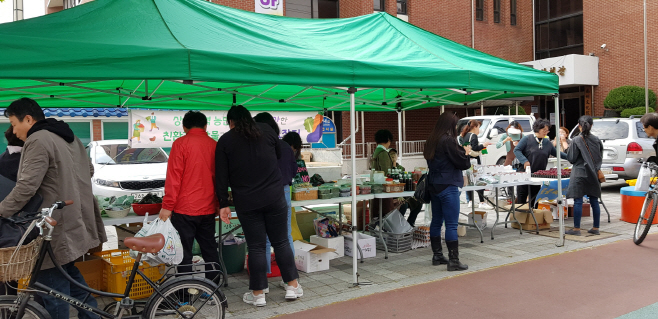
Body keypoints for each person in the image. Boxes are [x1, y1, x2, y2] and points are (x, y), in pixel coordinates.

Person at [0, 98, 106, 319]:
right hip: (76, 219)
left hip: (55, 227)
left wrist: (1, 210)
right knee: (69, 275)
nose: (13, 130)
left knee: (52, 289)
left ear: (28, 119)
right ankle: (93, 316)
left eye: (13, 123)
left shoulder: (37, 139)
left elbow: (26, 187)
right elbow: (89, 170)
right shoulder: (70, 137)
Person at [216, 105, 301, 307]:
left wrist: (223, 203)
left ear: (231, 122)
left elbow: (221, 175)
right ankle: (292, 286)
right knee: (281, 242)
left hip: (246, 200)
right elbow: (280, 154)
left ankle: (258, 294)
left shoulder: (226, 140)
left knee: (256, 246)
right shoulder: (266, 131)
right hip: (274, 197)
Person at [158, 111, 220, 284]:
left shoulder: (180, 144)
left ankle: (184, 294)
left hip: (184, 209)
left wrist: (167, 205)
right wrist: (217, 203)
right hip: (207, 208)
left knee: (184, 253)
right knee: (209, 250)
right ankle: (213, 289)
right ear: (205, 126)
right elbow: (218, 179)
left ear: (184, 127)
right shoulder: (214, 145)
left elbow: (174, 177)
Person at [424, 113, 472, 271]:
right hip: (448, 185)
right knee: (451, 224)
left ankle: (437, 255)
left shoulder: (431, 140)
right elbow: (461, 162)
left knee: (436, 221)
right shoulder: (448, 140)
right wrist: (466, 153)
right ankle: (453, 260)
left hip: (433, 185)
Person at [254, 112, 298, 276]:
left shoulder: (258, 146)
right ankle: (290, 277)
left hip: (263, 192)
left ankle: (263, 278)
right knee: (285, 236)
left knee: (264, 239)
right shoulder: (285, 146)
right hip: (284, 191)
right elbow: (294, 171)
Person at [513, 118, 568, 206]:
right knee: (522, 196)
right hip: (524, 173)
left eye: (547, 130)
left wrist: (571, 158)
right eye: (544, 130)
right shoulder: (527, 139)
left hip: (538, 175)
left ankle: (533, 217)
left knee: (535, 197)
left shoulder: (547, 142)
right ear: (538, 129)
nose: (546, 132)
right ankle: (521, 217)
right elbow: (517, 150)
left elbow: (557, 153)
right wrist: (525, 161)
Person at [565, 116, 603, 236]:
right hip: (593, 173)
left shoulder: (576, 140)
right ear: (591, 126)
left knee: (578, 201)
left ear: (579, 126)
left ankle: (576, 229)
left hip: (579, 173)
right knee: (594, 200)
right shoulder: (597, 140)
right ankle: (596, 227)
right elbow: (599, 157)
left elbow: (571, 159)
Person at [461, 120, 493, 210]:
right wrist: (483, 145)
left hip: (468, 161)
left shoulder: (465, 135)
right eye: (479, 127)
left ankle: (471, 201)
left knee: (470, 181)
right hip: (475, 162)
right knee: (479, 180)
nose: (479, 129)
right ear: (475, 127)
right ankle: (482, 202)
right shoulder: (473, 136)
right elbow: (475, 147)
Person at [388, 148, 422, 226]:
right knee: (403, 204)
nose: (393, 157)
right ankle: (399, 225)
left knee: (419, 202)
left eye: (394, 155)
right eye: (391, 155)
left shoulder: (401, 168)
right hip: (393, 194)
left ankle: (410, 223)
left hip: (403, 193)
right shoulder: (388, 168)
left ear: (397, 157)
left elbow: (404, 182)